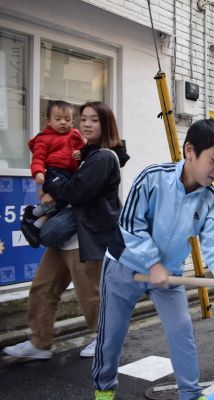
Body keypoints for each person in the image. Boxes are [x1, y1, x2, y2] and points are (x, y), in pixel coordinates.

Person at [91, 119, 214, 400]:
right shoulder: (152, 178)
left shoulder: (210, 200)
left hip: (170, 275)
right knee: (111, 336)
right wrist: (153, 264)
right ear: (190, 150)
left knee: (182, 333)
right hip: (124, 265)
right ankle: (104, 390)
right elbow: (131, 226)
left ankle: (191, 394)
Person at [3, 101, 129, 360]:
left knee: (90, 295)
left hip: (86, 237)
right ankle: (39, 343)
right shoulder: (85, 153)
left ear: (106, 124)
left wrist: (50, 183)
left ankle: (105, 341)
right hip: (65, 234)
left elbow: (78, 192)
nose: (86, 124)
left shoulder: (104, 156)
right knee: (43, 288)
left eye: (94, 120)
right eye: (83, 119)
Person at [20, 100, 86, 248]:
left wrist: (80, 153)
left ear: (73, 121)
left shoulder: (75, 135)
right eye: (58, 119)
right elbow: (38, 158)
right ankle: (34, 214)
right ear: (48, 121)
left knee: (62, 204)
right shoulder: (43, 139)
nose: (63, 122)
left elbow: (84, 148)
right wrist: (38, 172)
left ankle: (35, 222)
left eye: (67, 120)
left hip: (71, 173)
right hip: (54, 172)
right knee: (63, 199)